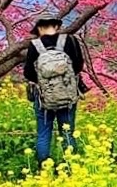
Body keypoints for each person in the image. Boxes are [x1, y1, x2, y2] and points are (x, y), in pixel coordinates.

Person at [23, 15, 87, 164]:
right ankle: (71, 167)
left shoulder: (35, 44)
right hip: (68, 96)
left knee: (44, 134)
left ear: (39, 28)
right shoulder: (70, 40)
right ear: (57, 26)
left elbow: (28, 73)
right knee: (67, 133)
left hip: (44, 98)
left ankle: (45, 169)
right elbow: (78, 66)